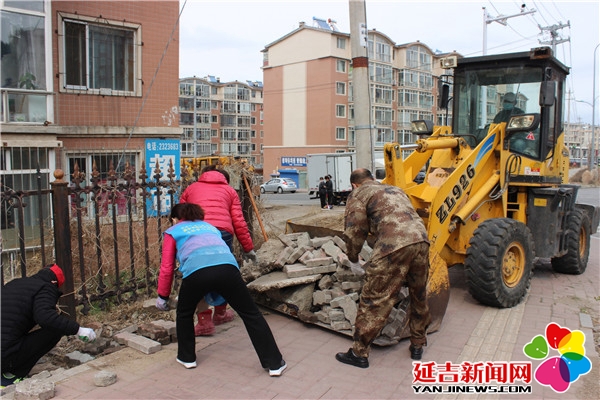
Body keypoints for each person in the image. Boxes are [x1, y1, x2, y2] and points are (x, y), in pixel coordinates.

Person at [155, 203, 286, 376]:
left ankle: (187, 358)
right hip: (228, 269)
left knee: (184, 313)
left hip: (196, 272)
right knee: (251, 314)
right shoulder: (211, 228)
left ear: (174, 218)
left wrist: (163, 296)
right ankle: (274, 363)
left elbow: (166, 267)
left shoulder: (173, 231)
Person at [335, 168, 431, 368]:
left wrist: (353, 259)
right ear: (372, 179)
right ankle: (417, 344)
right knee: (418, 295)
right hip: (421, 241)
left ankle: (359, 353)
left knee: (375, 299)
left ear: (354, 184)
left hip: (393, 246)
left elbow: (355, 231)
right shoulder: (395, 190)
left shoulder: (358, 193)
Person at [180, 165, 257, 336]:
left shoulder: (191, 188)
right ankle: (221, 313)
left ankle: (204, 321)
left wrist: (183, 241)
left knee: (198, 272)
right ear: (225, 179)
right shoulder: (229, 191)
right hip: (222, 234)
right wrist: (248, 248)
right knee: (223, 271)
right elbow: (239, 221)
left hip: (196, 233)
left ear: (203, 175)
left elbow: (181, 216)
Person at [1, 264, 97, 387]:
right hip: (3, 357)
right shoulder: (46, 287)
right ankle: (9, 377)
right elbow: (45, 317)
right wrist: (78, 330)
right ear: (54, 282)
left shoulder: (14, 283)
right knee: (54, 330)